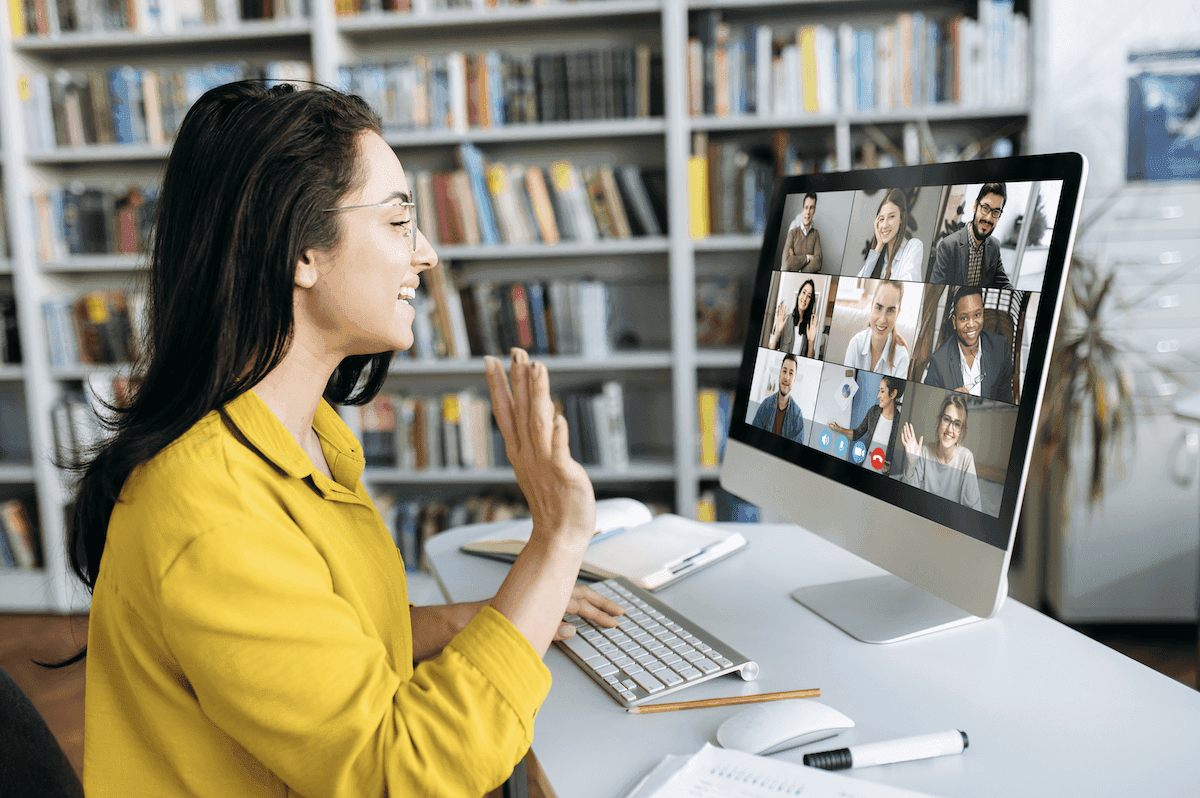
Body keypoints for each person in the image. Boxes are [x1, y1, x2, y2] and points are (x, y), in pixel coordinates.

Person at [53, 81, 623, 798]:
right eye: (397, 222)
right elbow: (402, 774)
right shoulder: (210, 513)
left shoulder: (304, 439)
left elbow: (325, 643)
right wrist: (558, 539)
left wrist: (484, 618)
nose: (428, 255)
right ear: (302, 251)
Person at [923, 286, 1014, 402]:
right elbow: (928, 401)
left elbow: (1005, 401)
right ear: (954, 322)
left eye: (977, 315)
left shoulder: (1000, 348)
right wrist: (949, 399)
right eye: (964, 318)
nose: (971, 324)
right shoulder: (939, 361)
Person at [898, 393, 984, 511]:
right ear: (939, 420)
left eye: (957, 424)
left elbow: (974, 509)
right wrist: (911, 464)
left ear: (961, 430)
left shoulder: (966, 458)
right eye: (946, 419)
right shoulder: (924, 451)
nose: (949, 429)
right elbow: (906, 498)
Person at [930, 183, 1014, 289]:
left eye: (996, 212)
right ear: (975, 206)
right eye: (985, 208)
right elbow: (934, 292)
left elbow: (1003, 284)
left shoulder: (994, 246)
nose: (988, 218)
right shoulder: (948, 246)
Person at [827, 375, 904, 474]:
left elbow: (900, 461)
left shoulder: (900, 423)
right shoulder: (874, 412)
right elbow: (857, 433)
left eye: (882, 391)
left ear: (893, 394)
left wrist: (889, 467)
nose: (878, 395)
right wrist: (839, 429)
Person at [843, 280, 910, 378]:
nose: (882, 319)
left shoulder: (901, 358)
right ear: (871, 307)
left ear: (898, 313)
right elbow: (846, 382)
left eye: (890, 310)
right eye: (878, 308)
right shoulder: (855, 345)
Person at [856, 188, 923, 282]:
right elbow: (859, 284)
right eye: (882, 219)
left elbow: (907, 289)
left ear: (901, 218)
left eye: (891, 216)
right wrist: (879, 246)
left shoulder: (914, 246)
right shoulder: (882, 256)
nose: (885, 225)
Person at [750, 354, 806, 443]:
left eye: (791, 373)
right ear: (779, 374)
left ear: (794, 379)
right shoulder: (765, 405)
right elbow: (753, 438)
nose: (786, 377)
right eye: (784, 371)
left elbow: (796, 450)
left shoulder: (797, 415)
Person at [767, 278, 819, 357]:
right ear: (798, 295)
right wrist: (777, 332)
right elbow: (770, 352)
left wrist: (811, 342)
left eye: (808, 296)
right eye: (803, 292)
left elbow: (809, 359)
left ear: (810, 301)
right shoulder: (785, 320)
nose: (804, 298)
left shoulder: (809, 328)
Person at [781, 193, 823, 272]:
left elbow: (818, 263)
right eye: (806, 208)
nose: (808, 212)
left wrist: (799, 269)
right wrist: (808, 258)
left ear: (814, 210)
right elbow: (786, 264)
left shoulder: (815, 234)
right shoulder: (793, 231)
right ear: (802, 210)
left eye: (811, 208)